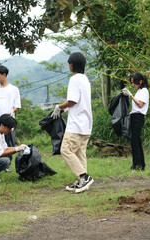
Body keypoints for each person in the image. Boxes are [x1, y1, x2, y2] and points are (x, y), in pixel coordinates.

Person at [51, 52, 94, 194]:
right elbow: (79, 102)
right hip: (86, 123)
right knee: (80, 153)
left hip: (76, 124)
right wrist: (65, 110)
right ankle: (82, 181)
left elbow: (73, 100)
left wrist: (59, 106)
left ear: (71, 64)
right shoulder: (85, 80)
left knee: (66, 150)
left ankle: (84, 177)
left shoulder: (74, 79)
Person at [122, 73, 149, 171]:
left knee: (135, 141)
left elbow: (140, 104)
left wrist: (131, 95)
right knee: (136, 141)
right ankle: (140, 164)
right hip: (134, 116)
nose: (133, 85)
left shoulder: (144, 91)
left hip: (139, 116)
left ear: (140, 81)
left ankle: (136, 164)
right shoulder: (139, 91)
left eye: (134, 83)